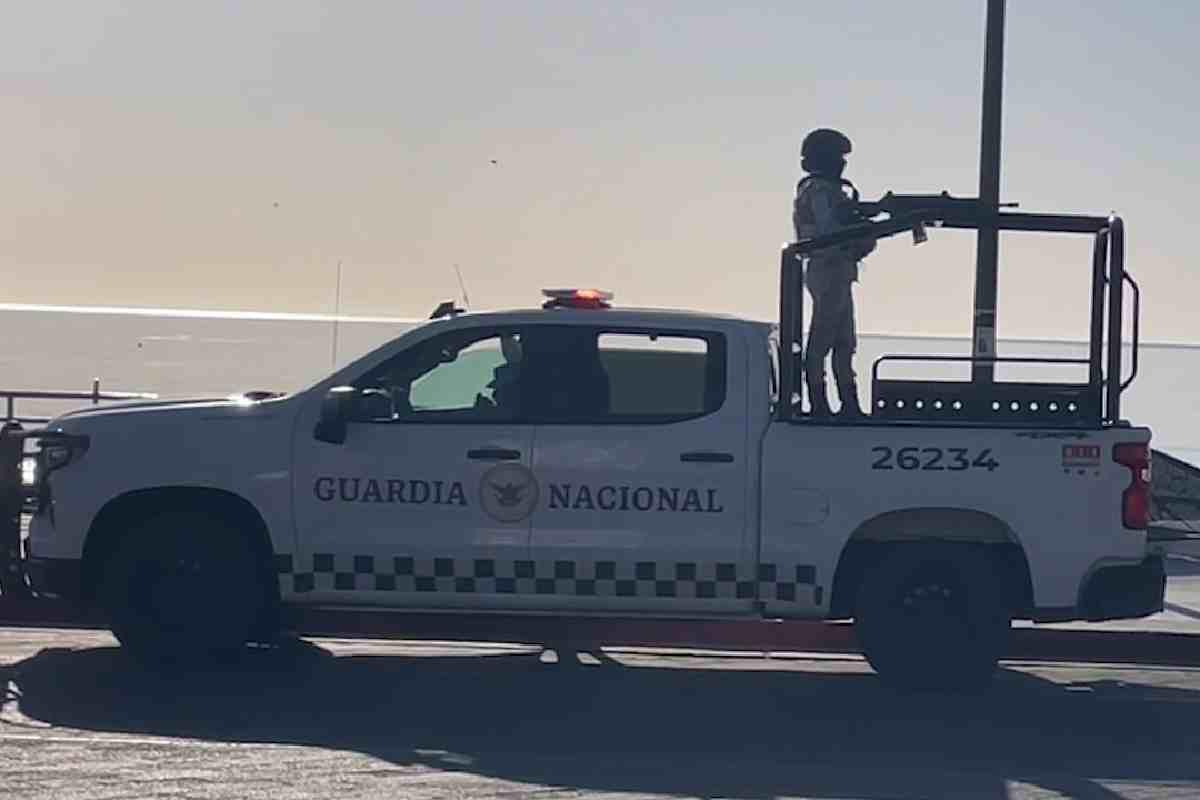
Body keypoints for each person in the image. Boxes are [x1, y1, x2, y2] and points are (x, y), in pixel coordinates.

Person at [792, 128, 875, 419]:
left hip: (837, 270)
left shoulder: (829, 190)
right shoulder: (818, 191)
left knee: (844, 342)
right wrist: (861, 225)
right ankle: (819, 402)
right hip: (828, 268)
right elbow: (829, 230)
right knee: (822, 340)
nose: (842, 163)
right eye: (838, 157)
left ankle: (848, 404)